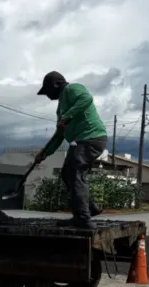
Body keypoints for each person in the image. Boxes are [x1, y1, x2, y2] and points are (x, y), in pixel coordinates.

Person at [35, 71, 107, 228]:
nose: (47, 96)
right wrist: (45, 152)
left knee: (74, 174)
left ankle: (82, 217)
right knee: (68, 174)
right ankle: (90, 209)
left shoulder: (72, 89)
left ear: (56, 84)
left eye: (47, 91)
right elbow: (59, 135)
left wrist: (67, 116)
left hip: (90, 137)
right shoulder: (61, 108)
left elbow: (86, 99)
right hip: (82, 141)